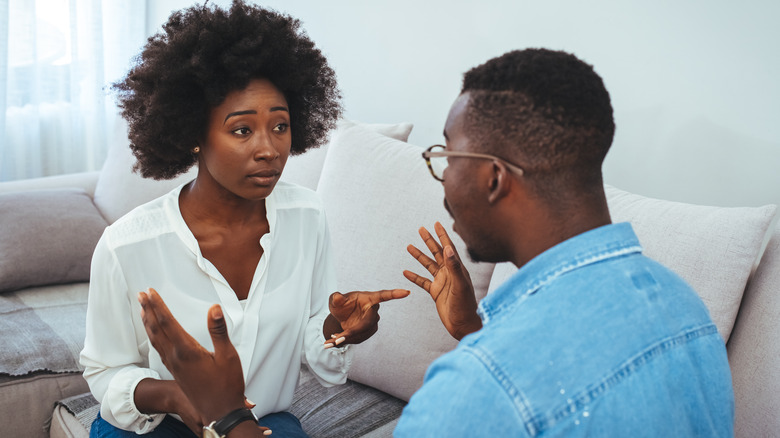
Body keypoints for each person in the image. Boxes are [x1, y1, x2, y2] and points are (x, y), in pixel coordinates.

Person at [137, 48, 735, 437]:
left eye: (446, 154)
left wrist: (227, 413)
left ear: (494, 177)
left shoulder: (475, 391)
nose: (440, 174)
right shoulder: (684, 308)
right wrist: (474, 330)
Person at [79, 2, 408, 437]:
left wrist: (338, 328)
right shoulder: (126, 246)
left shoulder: (306, 216)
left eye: (280, 126)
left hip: (263, 422)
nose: (269, 148)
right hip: (159, 426)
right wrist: (178, 396)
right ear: (194, 133)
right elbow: (105, 370)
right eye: (241, 130)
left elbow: (316, 338)